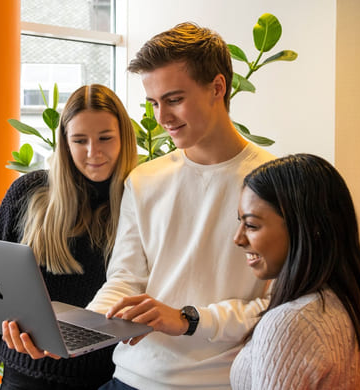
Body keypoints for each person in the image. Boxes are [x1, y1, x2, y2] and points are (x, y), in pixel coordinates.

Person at [82, 22, 276, 389]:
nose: (162, 118)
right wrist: (83, 329)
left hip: (216, 382)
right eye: (154, 103)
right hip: (128, 377)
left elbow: (274, 305)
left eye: (173, 100)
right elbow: (124, 279)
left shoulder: (275, 182)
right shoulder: (143, 179)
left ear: (217, 88)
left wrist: (189, 319)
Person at [0, 84, 138, 390]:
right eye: (79, 140)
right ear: (64, 143)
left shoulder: (140, 201)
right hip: (24, 375)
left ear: (124, 137)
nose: (92, 152)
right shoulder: (29, 193)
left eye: (105, 138)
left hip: (110, 380)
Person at [230, 154, 360, 389]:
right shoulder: (345, 301)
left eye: (251, 225)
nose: (237, 239)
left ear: (308, 227)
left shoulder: (290, 323)